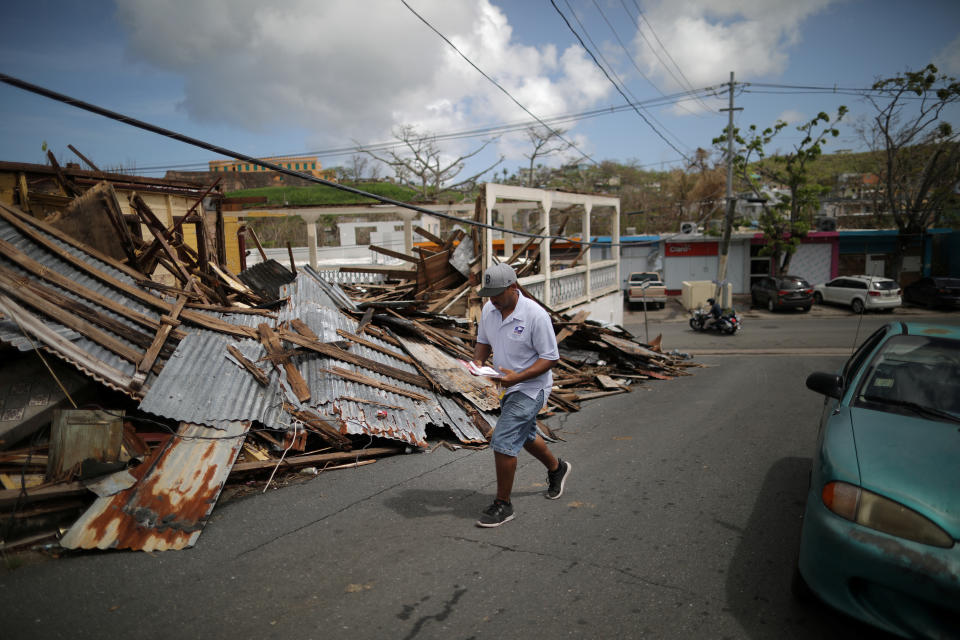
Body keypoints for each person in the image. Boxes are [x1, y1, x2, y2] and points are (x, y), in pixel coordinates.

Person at [472, 262, 571, 528]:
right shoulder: (490, 309)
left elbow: (550, 358)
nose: (492, 299)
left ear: (513, 288)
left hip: (531, 387)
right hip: (507, 385)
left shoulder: (535, 316)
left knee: (504, 439)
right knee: (525, 436)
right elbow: (483, 342)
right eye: (489, 294)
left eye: (497, 294)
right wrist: (477, 365)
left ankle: (503, 504)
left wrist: (517, 377)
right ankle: (556, 468)